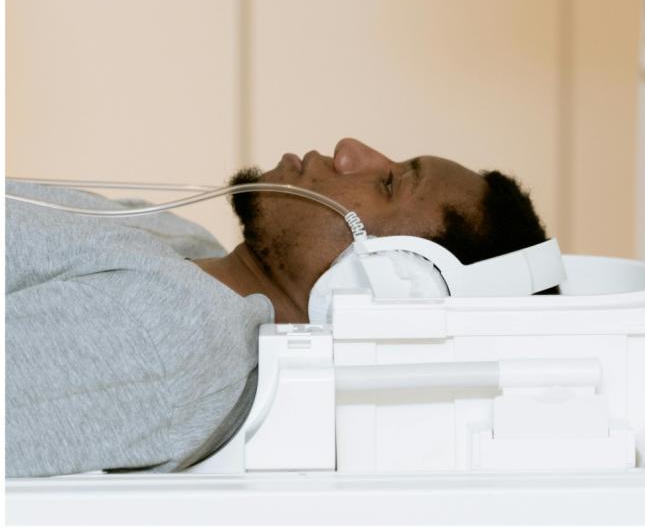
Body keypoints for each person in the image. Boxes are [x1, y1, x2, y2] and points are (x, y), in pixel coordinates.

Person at [6, 138, 554, 477]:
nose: (348, 151)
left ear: (395, 279)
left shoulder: (170, 336)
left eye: (387, 183)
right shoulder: (189, 242)